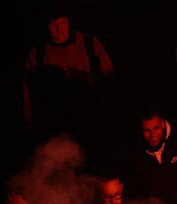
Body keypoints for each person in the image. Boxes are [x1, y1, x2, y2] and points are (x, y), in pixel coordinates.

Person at [23, 2, 114, 145]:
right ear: (47, 26)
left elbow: (110, 83)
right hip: (55, 132)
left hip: (90, 127)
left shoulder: (90, 44)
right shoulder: (38, 54)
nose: (59, 30)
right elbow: (28, 95)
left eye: (63, 23)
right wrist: (31, 125)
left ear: (69, 21)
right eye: (53, 25)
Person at [125, 108, 177, 204]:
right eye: (147, 130)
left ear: (163, 124)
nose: (152, 135)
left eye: (156, 128)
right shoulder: (136, 152)